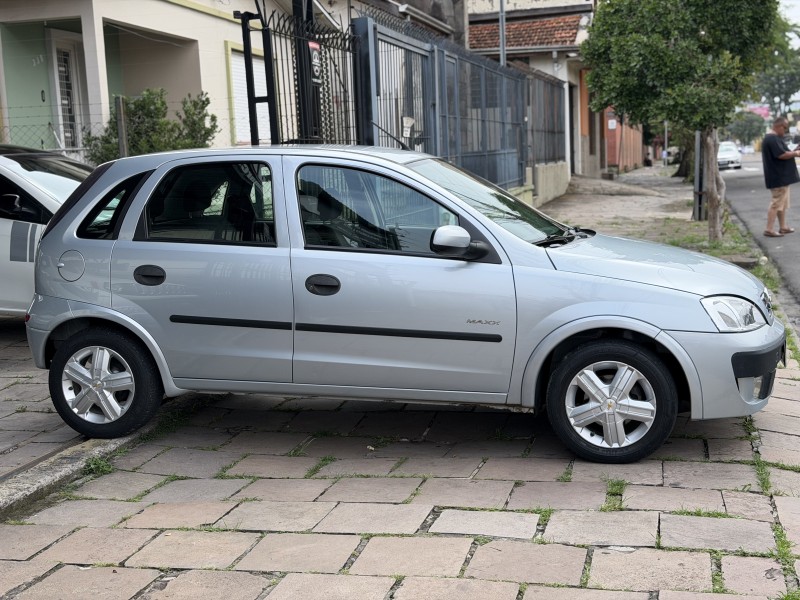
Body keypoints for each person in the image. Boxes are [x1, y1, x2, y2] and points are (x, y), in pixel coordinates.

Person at [762, 116, 800, 237]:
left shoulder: (775, 138)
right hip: (778, 177)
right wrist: (796, 153)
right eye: (785, 128)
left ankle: (783, 227)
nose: (785, 131)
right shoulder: (772, 139)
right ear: (778, 126)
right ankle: (769, 229)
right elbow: (781, 154)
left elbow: (784, 151)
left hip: (782, 177)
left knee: (782, 204)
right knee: (776, 203)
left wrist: (795, 150)